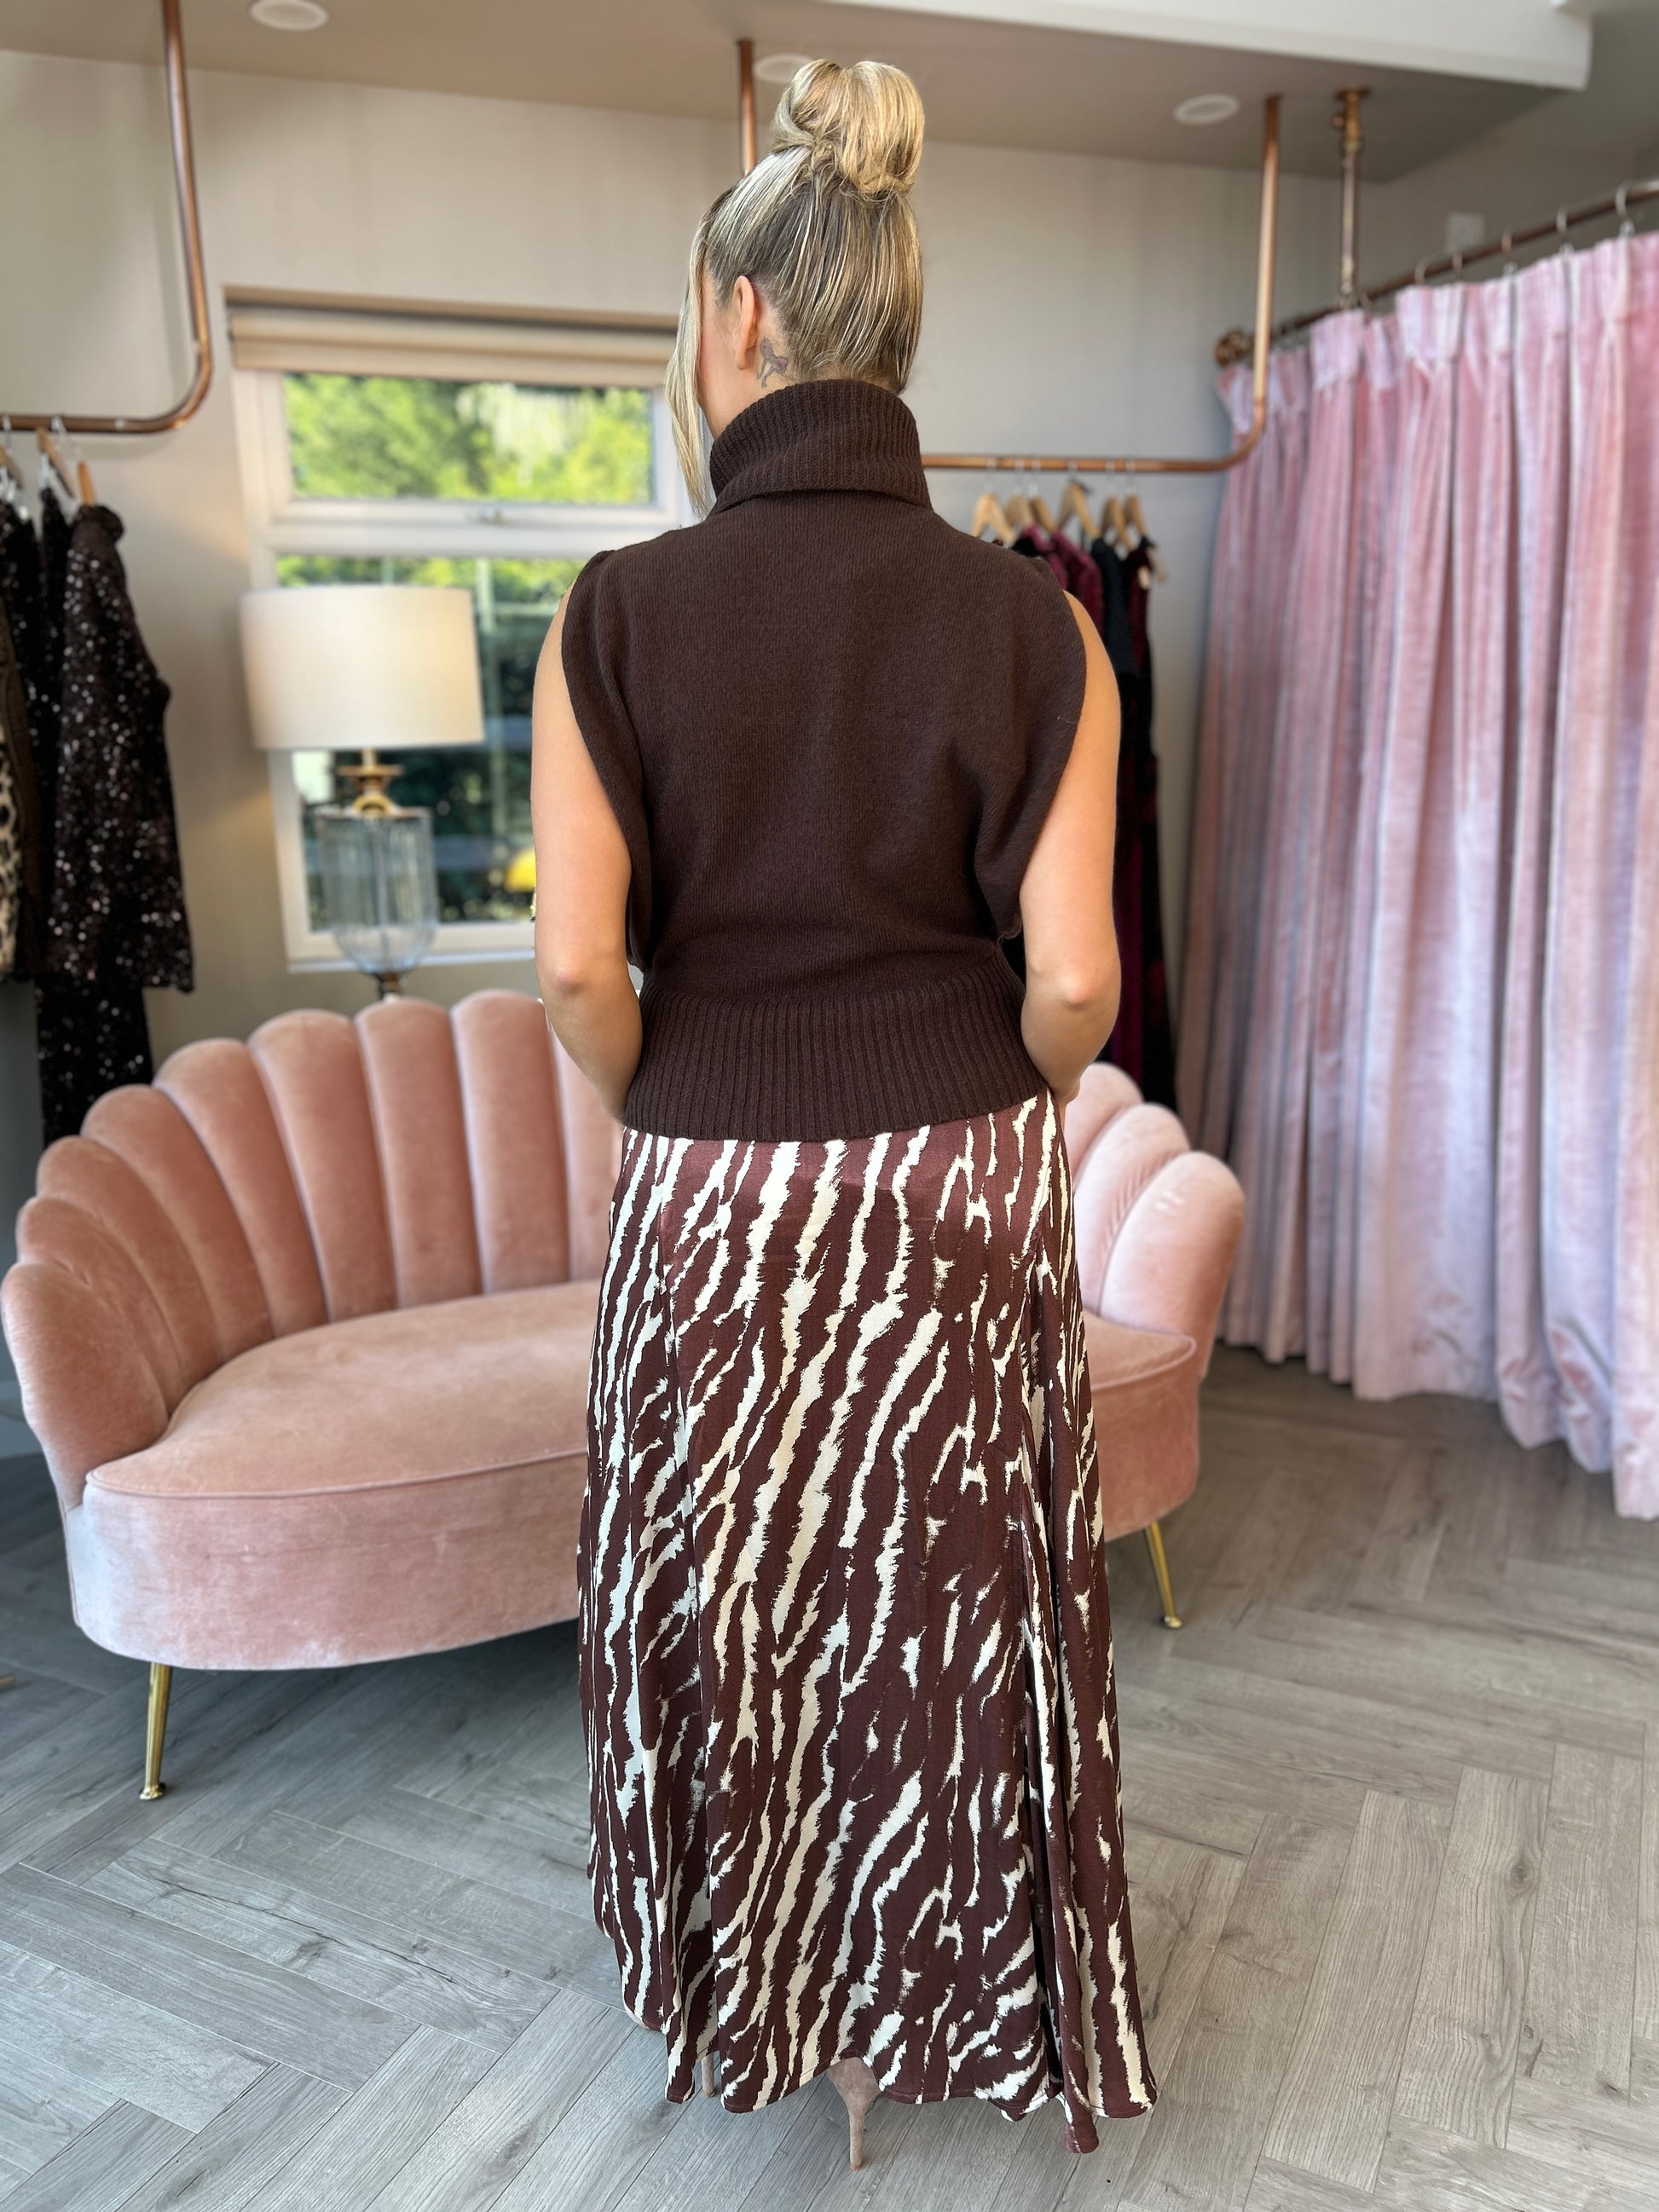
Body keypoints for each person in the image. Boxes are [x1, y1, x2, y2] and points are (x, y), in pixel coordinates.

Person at [530, 55, 1155, 2173]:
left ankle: (753, 1985)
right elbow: (1075, 982)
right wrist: (979, 1093)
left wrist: (677, 1093)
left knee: (733, 1604)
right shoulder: (1033, 623)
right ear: (893, 324)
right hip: (961, 1176)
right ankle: (953, 1987)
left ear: (739, 317)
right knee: (949, 1608)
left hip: (707, 1191)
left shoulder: (615, 614)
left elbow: (576, 970)